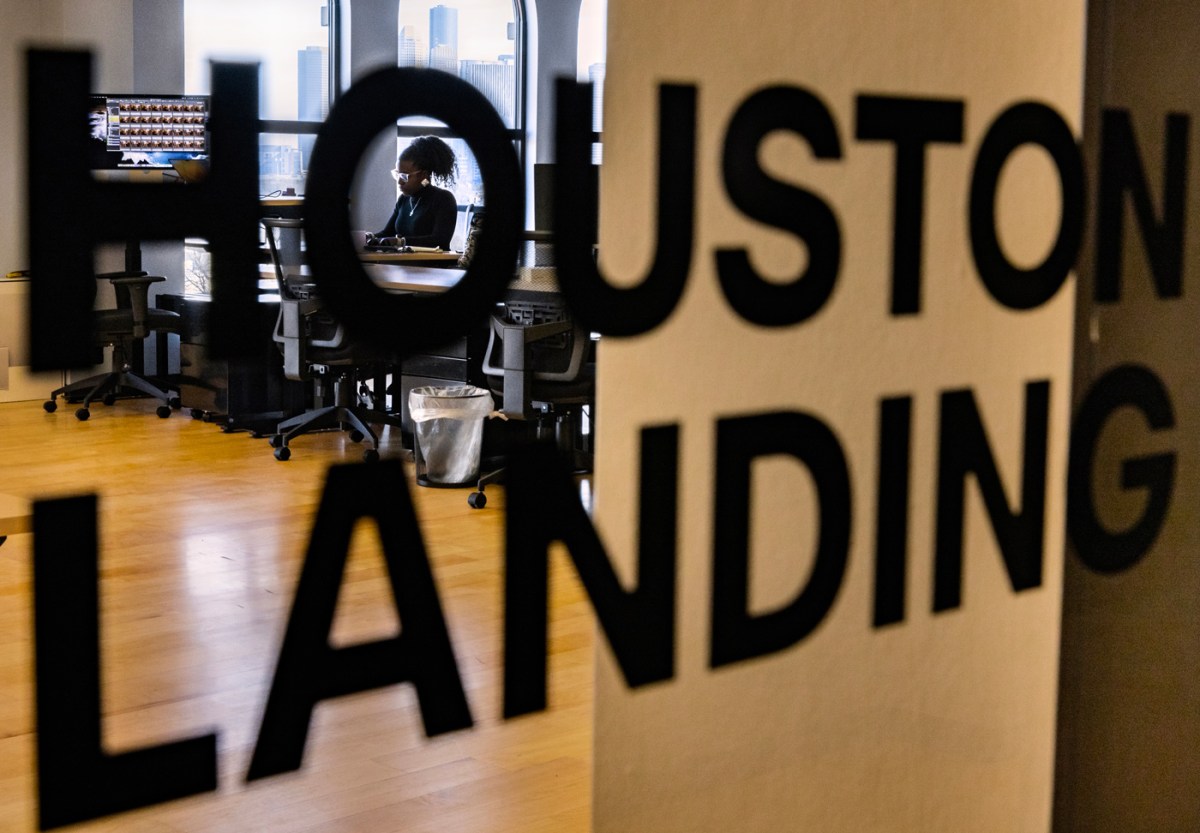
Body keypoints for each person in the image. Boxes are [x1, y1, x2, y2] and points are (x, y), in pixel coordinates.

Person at [368, 135, 459, 251]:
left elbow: (440, 240)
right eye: (397, 174)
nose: (399, 181)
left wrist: (401, 242)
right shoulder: (403, 199)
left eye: (404, 176)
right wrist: (369, 237)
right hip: (403, 261)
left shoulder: (443, 199)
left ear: (423, 175)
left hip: (433, 262)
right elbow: (387, 233)